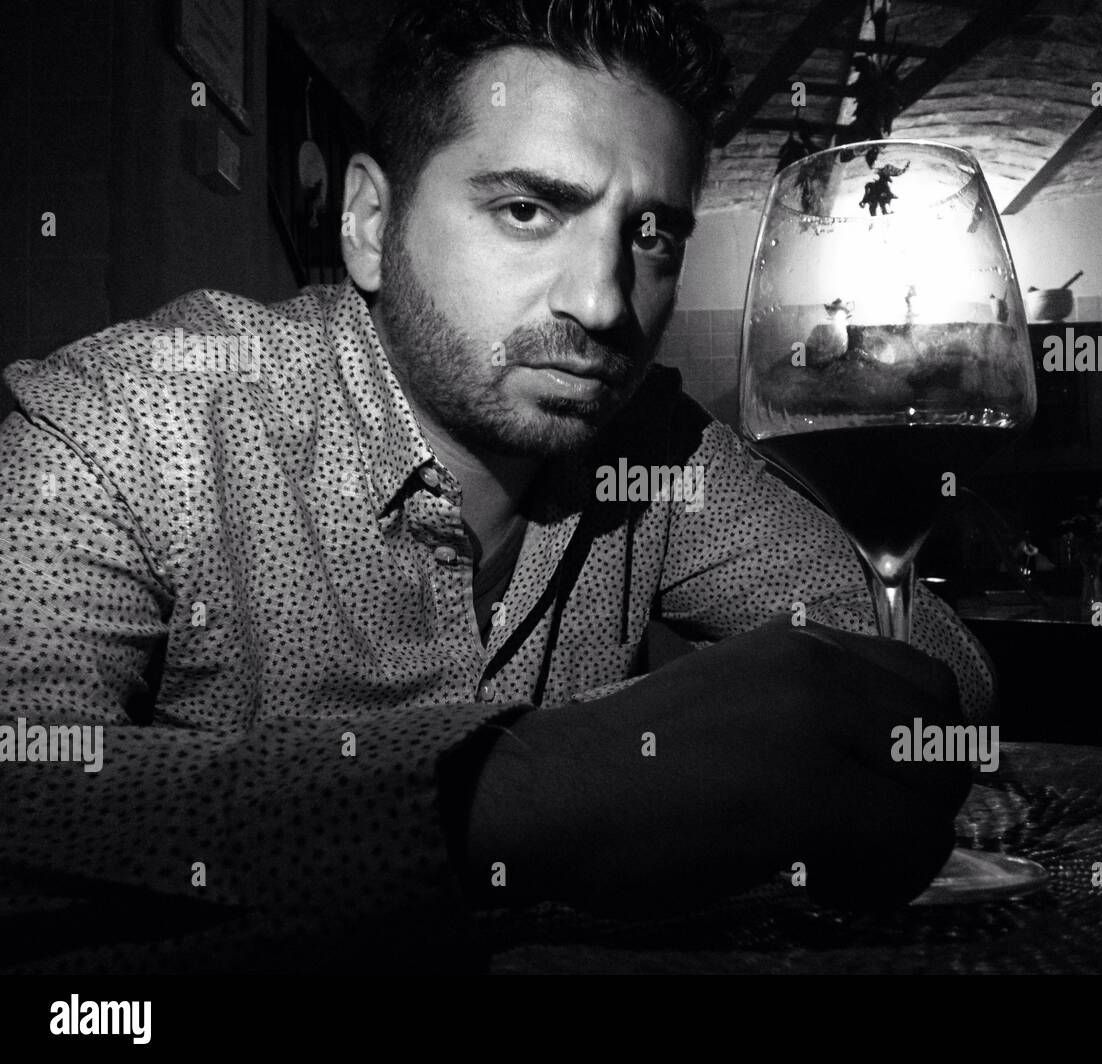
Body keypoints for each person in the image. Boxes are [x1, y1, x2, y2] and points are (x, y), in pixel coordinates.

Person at [0, 0, 991, 974]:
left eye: (650, 234)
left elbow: (931, 666)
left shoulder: (662, 455)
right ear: (367, 220)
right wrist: (545, 778)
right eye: (527, 210)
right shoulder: (135, 416)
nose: (601, 300)